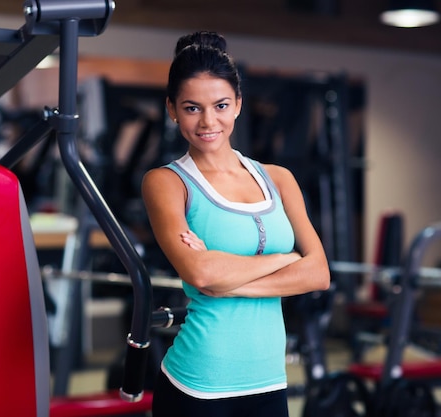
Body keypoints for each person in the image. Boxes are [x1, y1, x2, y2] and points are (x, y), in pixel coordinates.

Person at [141, 31, 331, 417]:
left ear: (238, 105)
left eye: (221, 105)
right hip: (198, 382)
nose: (208, 121)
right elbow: (202, 275)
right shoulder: (167, 183)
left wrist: (227, 280)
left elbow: (318, 274)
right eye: (192, 108)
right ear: (172, 109)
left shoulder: (278, 179)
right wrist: (286, 257)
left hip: (270, 380)